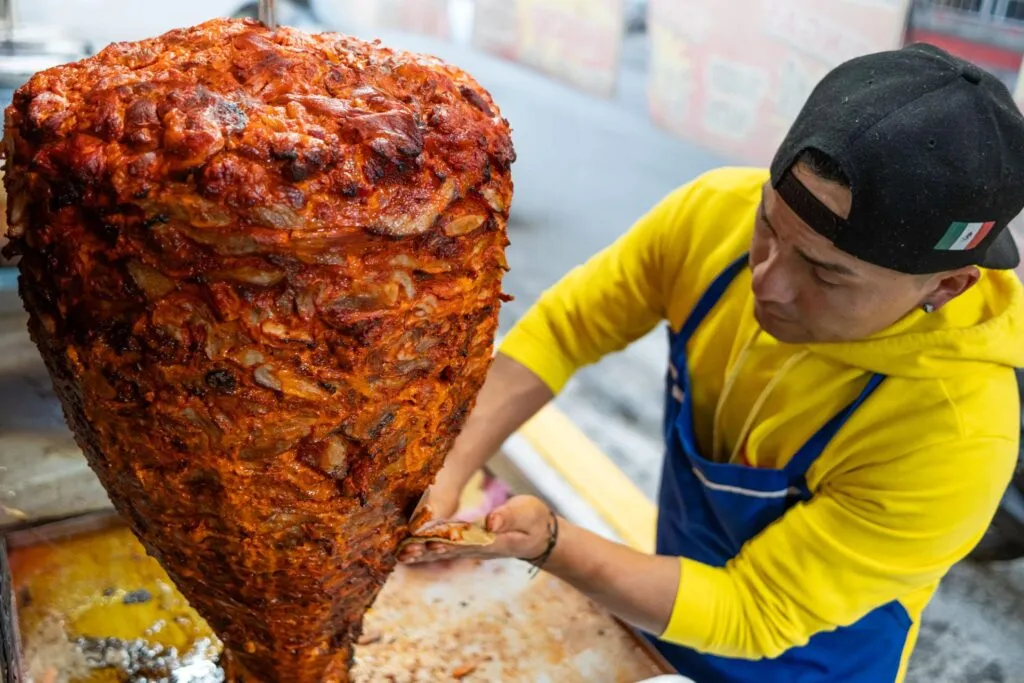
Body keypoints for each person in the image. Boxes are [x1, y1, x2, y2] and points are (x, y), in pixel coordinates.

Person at [398, 43, 1024, 682]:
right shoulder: (713, 216)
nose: (768, 284)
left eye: (826, 275)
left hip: (807, 660)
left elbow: (752, 612)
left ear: (947, 286)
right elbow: (566, 330)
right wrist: (449, 469)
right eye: (769, 228)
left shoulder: (959, 435)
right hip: (658, 609)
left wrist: (551, 544)